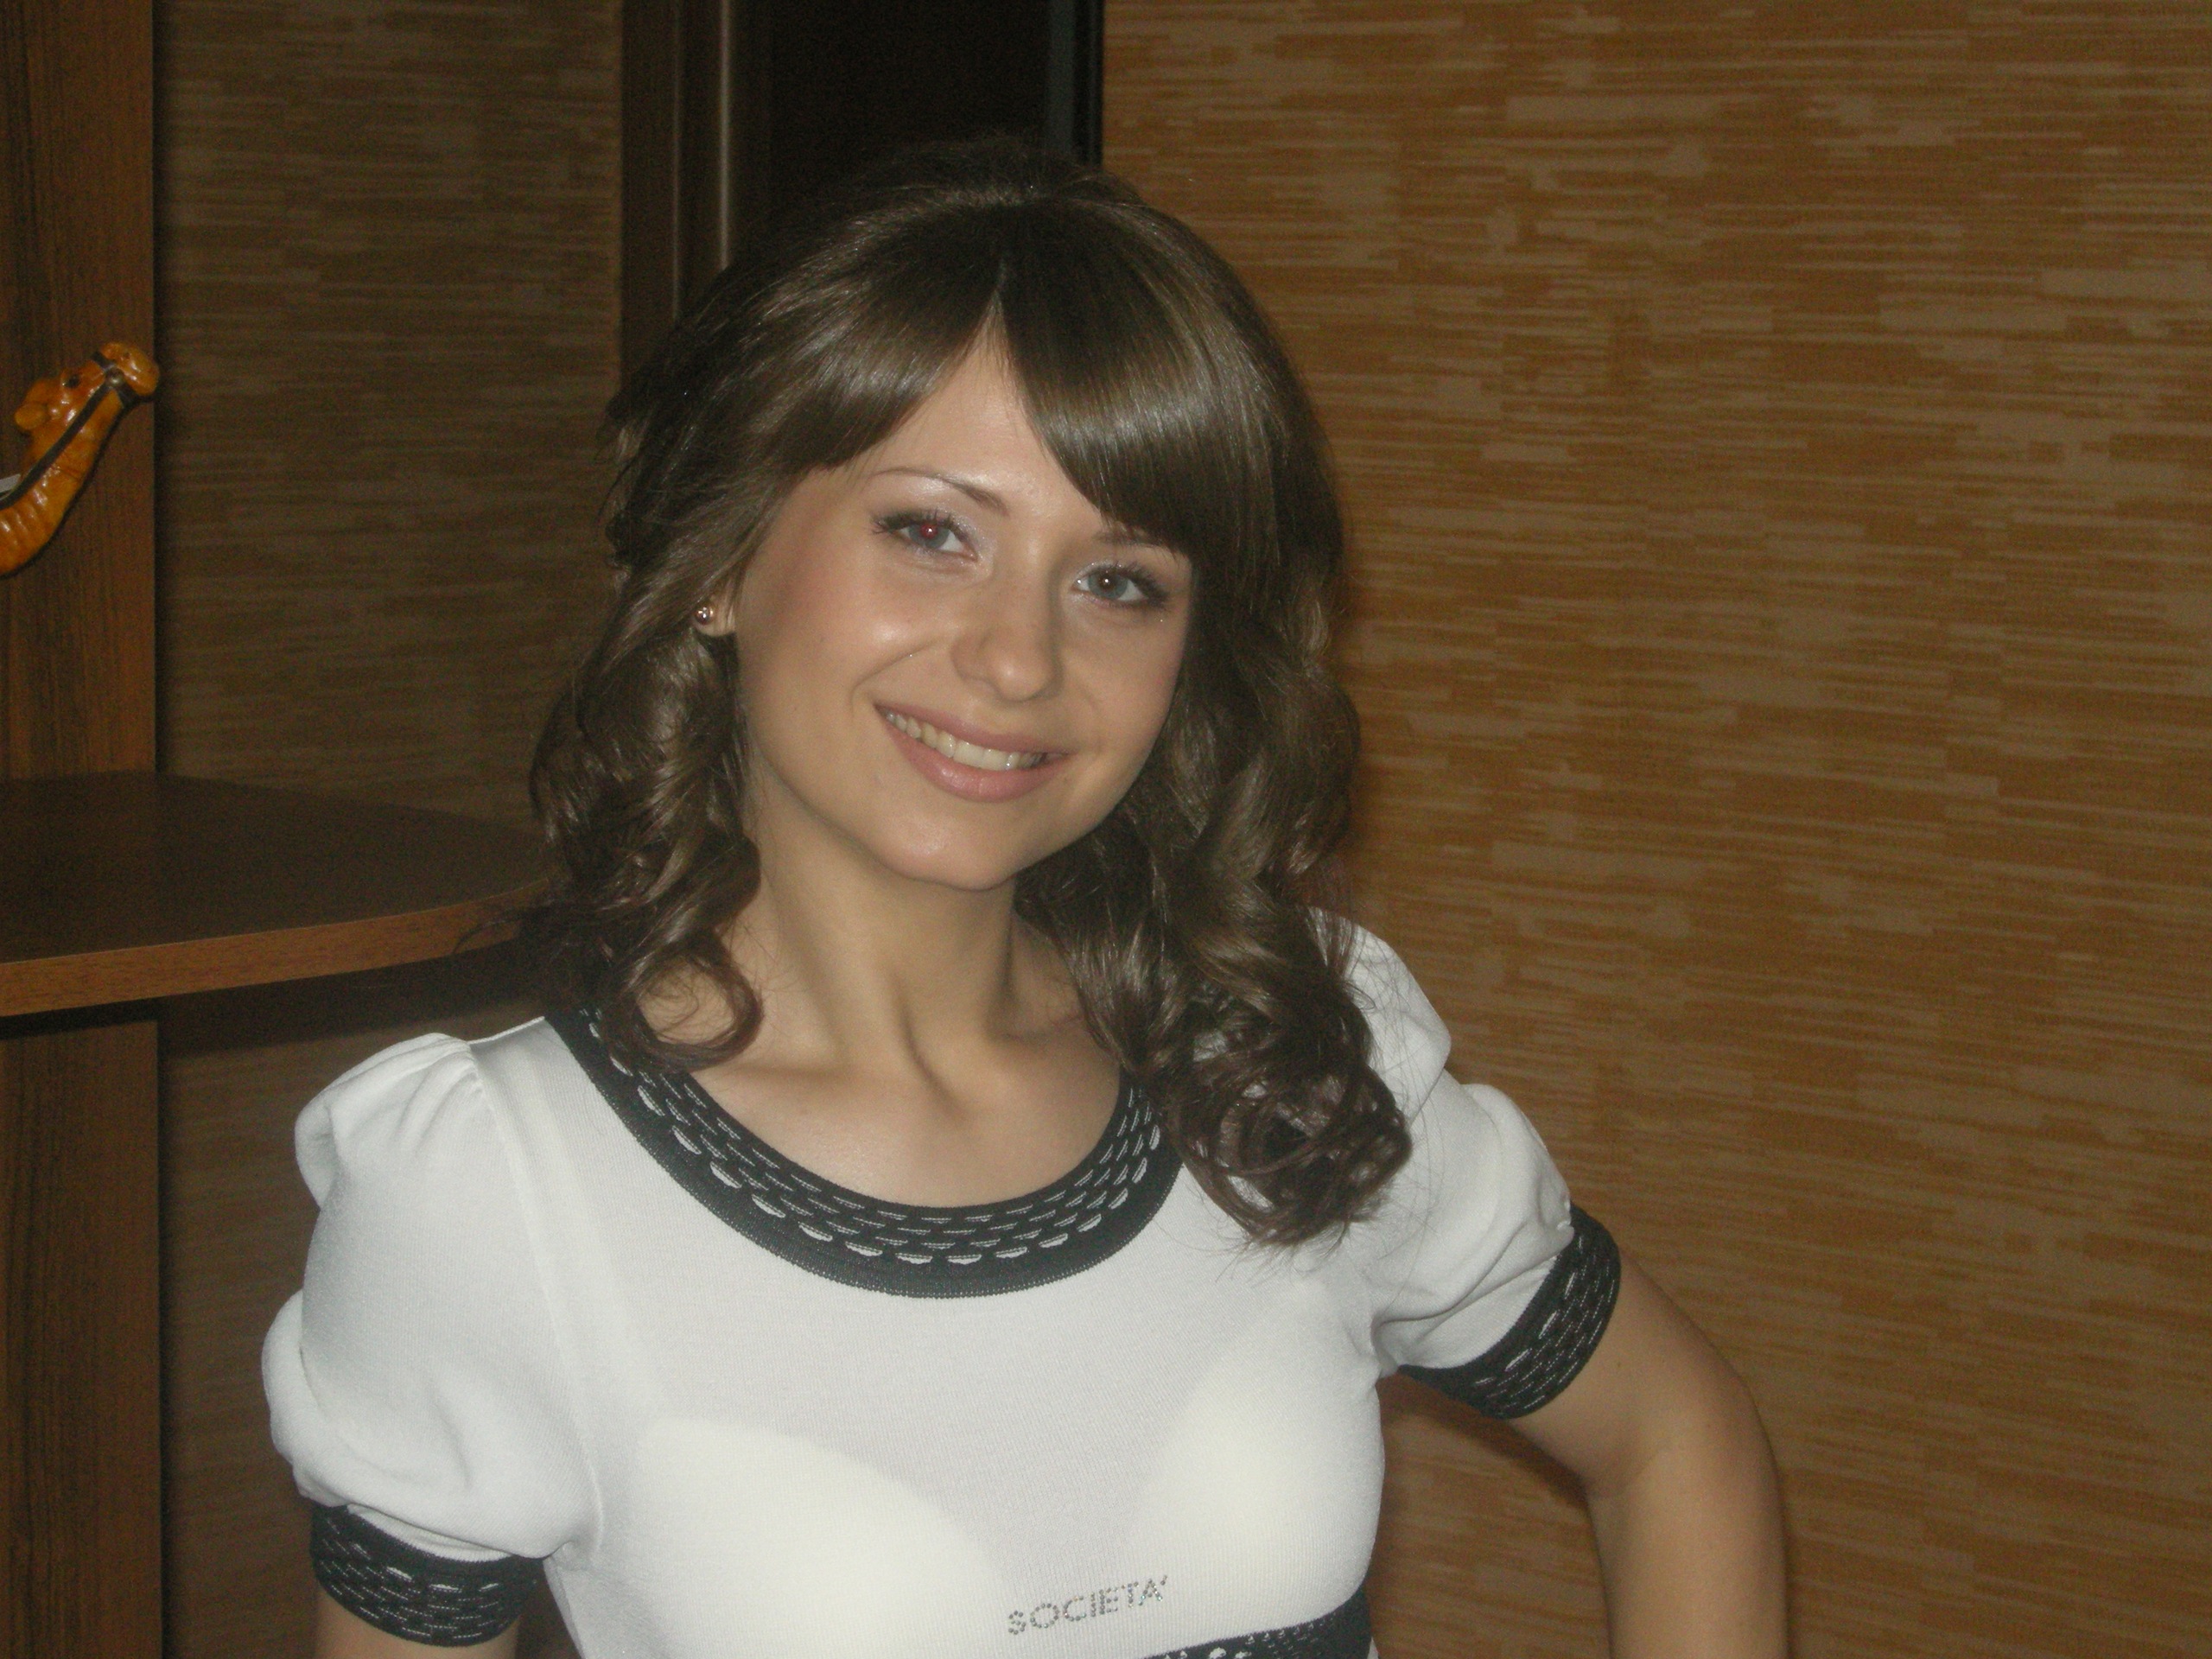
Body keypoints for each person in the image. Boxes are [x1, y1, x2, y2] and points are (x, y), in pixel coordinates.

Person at [264, 141, 1786, 1659]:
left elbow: (1676, 1437)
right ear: (717, 558)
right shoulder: (498, 1196)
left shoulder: (1280, 1061)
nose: (1018, 659)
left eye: (1119, 581)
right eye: (932, 531)